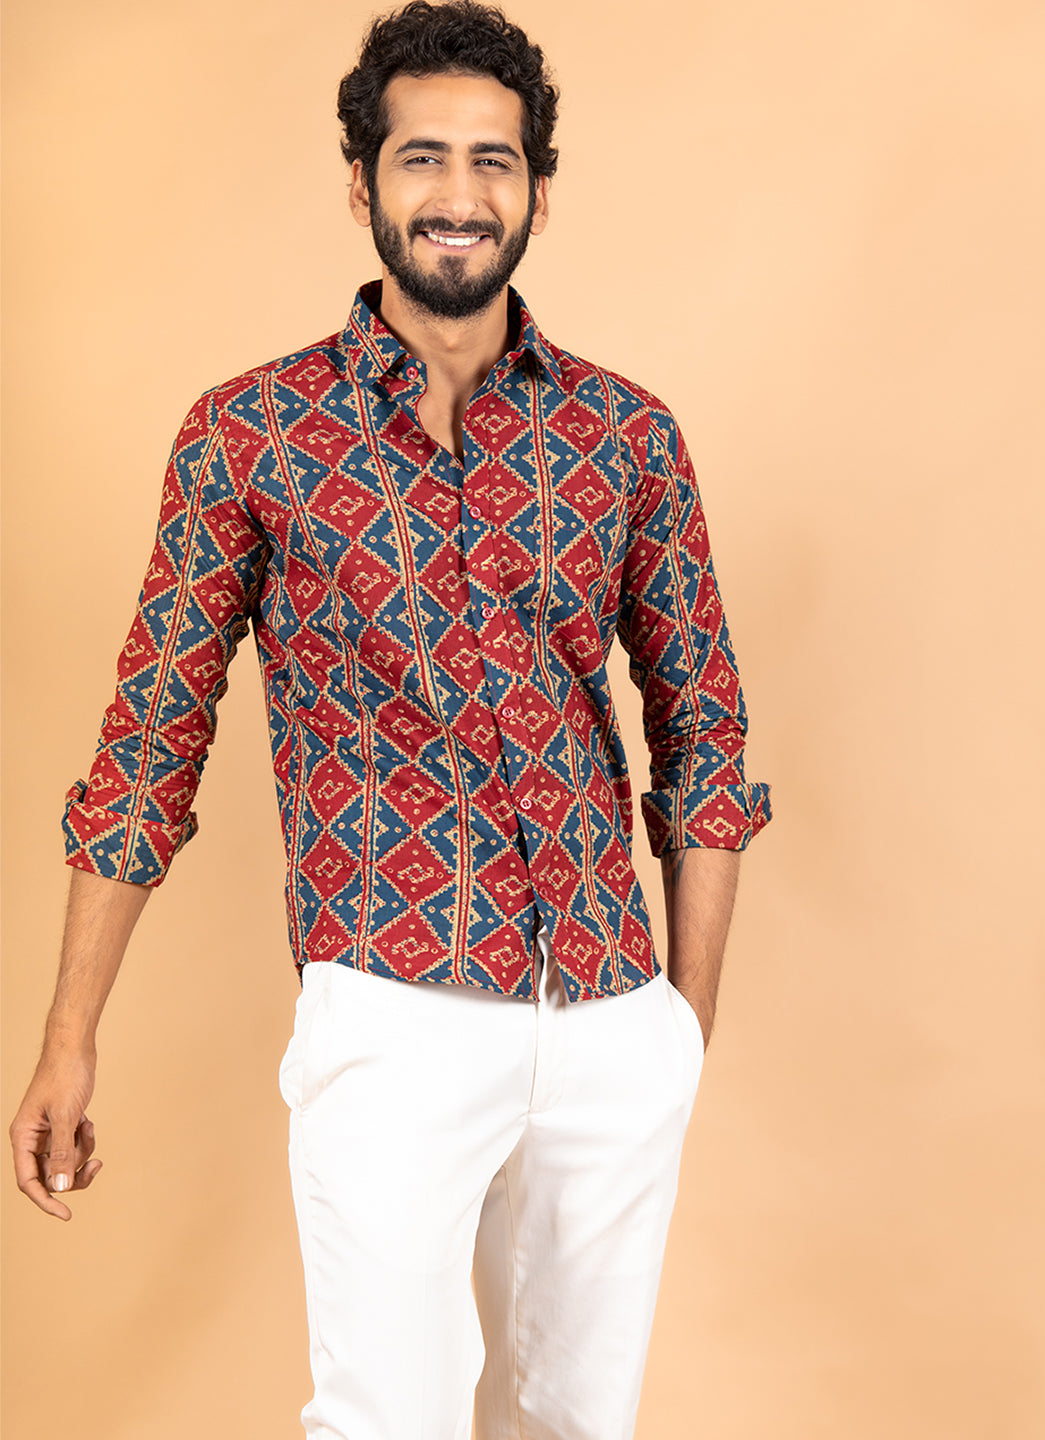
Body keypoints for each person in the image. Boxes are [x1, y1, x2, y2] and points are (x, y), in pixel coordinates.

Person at [9, 2, 772, 1435]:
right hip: (393, 1006)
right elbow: (149, 748)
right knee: (388, 1421)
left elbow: (706, 739)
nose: (460, 195)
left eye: (495, 161)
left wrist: (682, 1031)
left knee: (578, 1426)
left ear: (538, 188)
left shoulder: (628, 435)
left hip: (610, 1011)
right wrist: (68, 1035)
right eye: (424, 158)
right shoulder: (251, 433)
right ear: (362, 181)